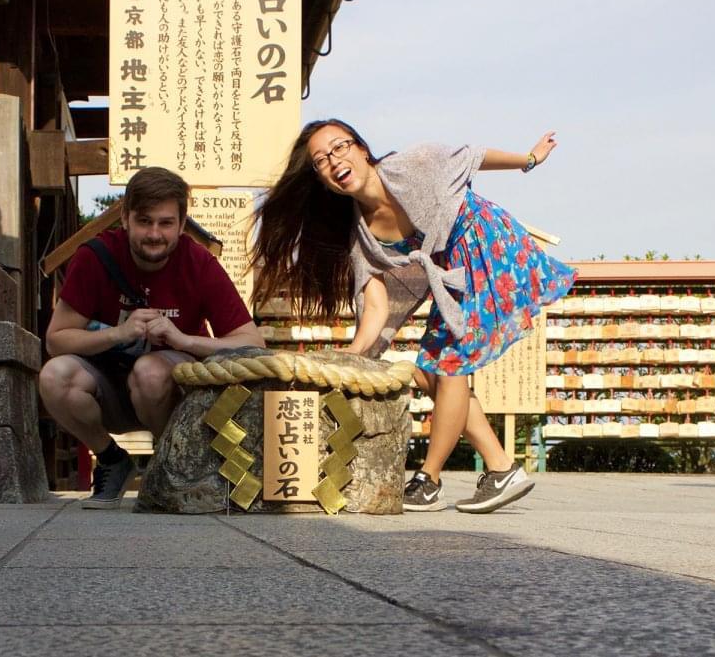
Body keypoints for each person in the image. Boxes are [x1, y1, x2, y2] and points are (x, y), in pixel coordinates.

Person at [248, 121, 574, 513]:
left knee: (446, 363)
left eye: (340, 148)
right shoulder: (361, 238)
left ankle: (429, 479)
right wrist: (350, 358)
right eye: (321, 161)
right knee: (427, 371)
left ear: (362, 149)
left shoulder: (412, 165)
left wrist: (530, 158)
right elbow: (376, 307)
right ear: (321, 180)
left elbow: (473, 156)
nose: (335, 161)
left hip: (486, 245)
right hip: (453, 274)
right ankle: (501, 467)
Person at [42, 166, 263, 508]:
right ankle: (112, 459)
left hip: (167, 390)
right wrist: (118, 333)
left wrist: (184, 340)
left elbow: (252, 343)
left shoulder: (198, 263)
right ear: (125, 219)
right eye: (145, 221)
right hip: (106, 388)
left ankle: (169, 459)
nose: (155, 233)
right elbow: (56, 340)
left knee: (150, 370)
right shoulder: (95, 257)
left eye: (165, 223)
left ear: (181, 223)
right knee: (55, 377)